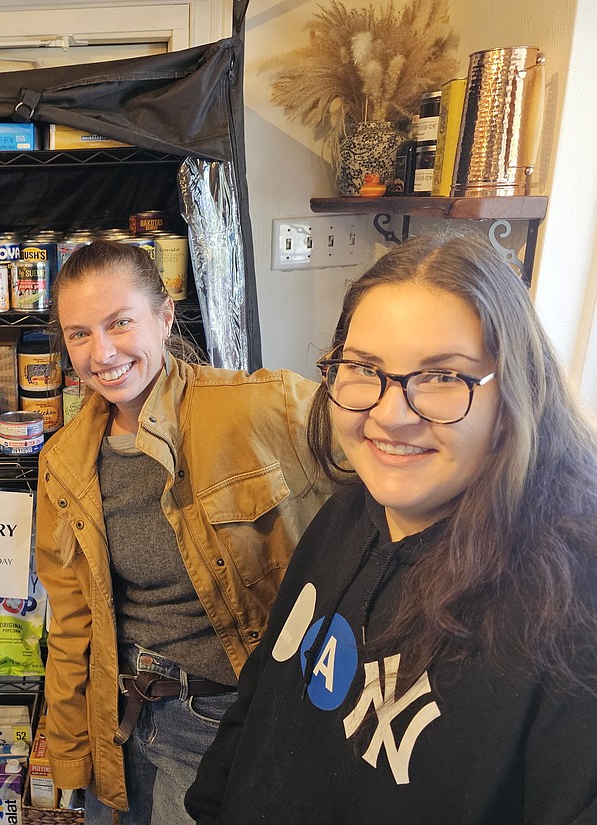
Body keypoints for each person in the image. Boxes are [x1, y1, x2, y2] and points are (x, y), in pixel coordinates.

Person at [186, 233, 597, 823]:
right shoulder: (345, 515)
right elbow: (263, 697)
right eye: (364, 369)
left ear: (514, 391)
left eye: (442, 376)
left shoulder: (570, 608)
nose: (390, 415)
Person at [35, 240, 330, 824]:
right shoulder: (64, 461)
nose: (103, 353)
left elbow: (386, 459)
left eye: (120, 323)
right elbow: (72, 626)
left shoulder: (261, 407)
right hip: (120, 725)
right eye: (79, 334)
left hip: (223, 723)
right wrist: (70, 759)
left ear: (165, 318)